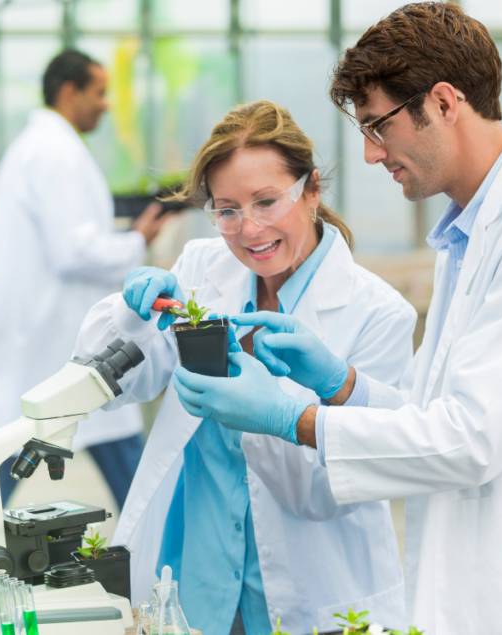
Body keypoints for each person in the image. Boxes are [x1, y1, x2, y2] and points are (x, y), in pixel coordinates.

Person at [173, 2, 502, 634]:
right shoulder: (470, 235)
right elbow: (437, 415)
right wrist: (344, 386)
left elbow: (470, 438)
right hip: (492, 581)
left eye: (379, 126)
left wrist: (292, 418)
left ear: (445, 101)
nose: (372, 155)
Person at [74, 101, 419, 635]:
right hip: (193, 575)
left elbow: (333, 491)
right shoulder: (200, 268)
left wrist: (272, 417)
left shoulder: (377, 313)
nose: (248, 228)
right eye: (227, 209)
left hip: (312, 594)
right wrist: (133, 314)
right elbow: (112, 383)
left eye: (266, 201)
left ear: (311, 191)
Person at [0, 49, 173, 509]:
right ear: (69, 91)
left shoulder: (40, 147)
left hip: (43, 329)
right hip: (50, 332)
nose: (106, 104)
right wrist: (136, 239)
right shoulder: (54, 152)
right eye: (99, 93)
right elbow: (72, 250)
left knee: (34, 442)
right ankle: (162, 552)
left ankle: (156, 542)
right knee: (58, 440)